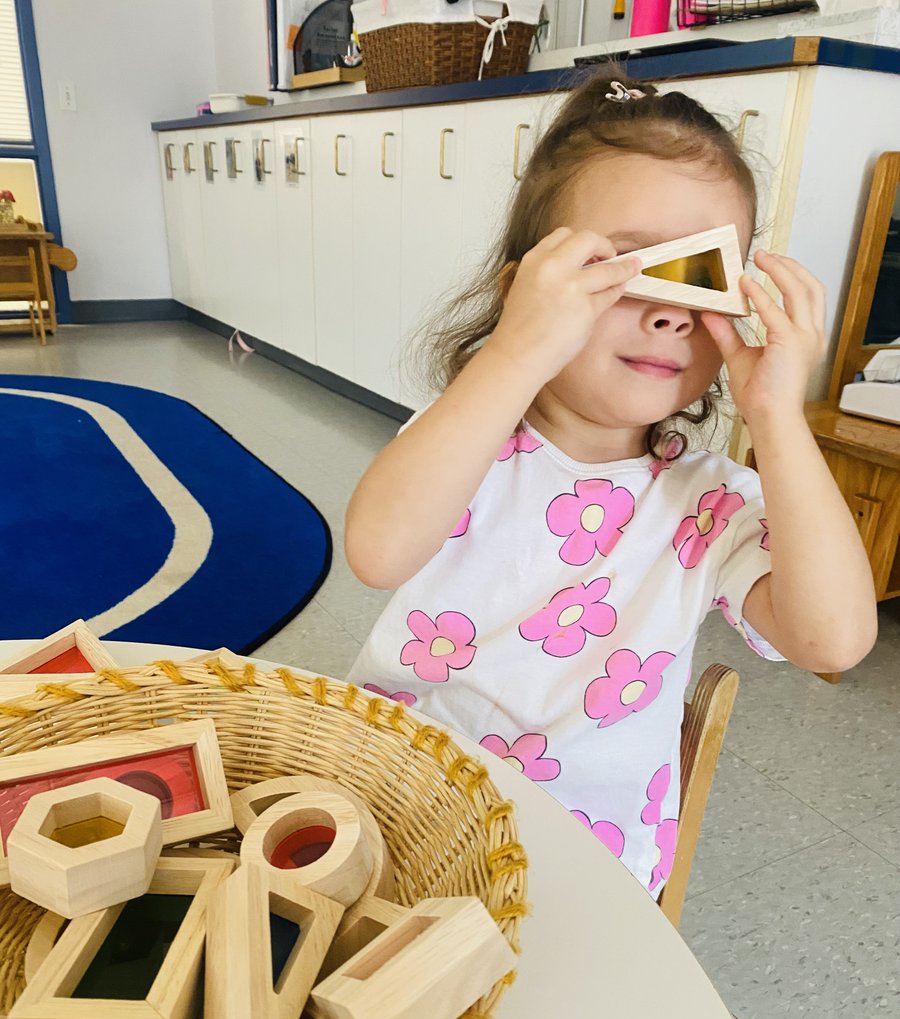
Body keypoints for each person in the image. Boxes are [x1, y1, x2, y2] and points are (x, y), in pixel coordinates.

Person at [343, 70, 877, 898]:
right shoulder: (469, 441)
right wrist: (517, 351)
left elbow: (834, 640)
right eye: (622, 267)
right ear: (524, 293)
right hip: (397, 805)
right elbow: (378, 552)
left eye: (699, 277)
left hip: (579, 868)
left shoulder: (709, 503)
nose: (669, 312)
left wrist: (777, 413)